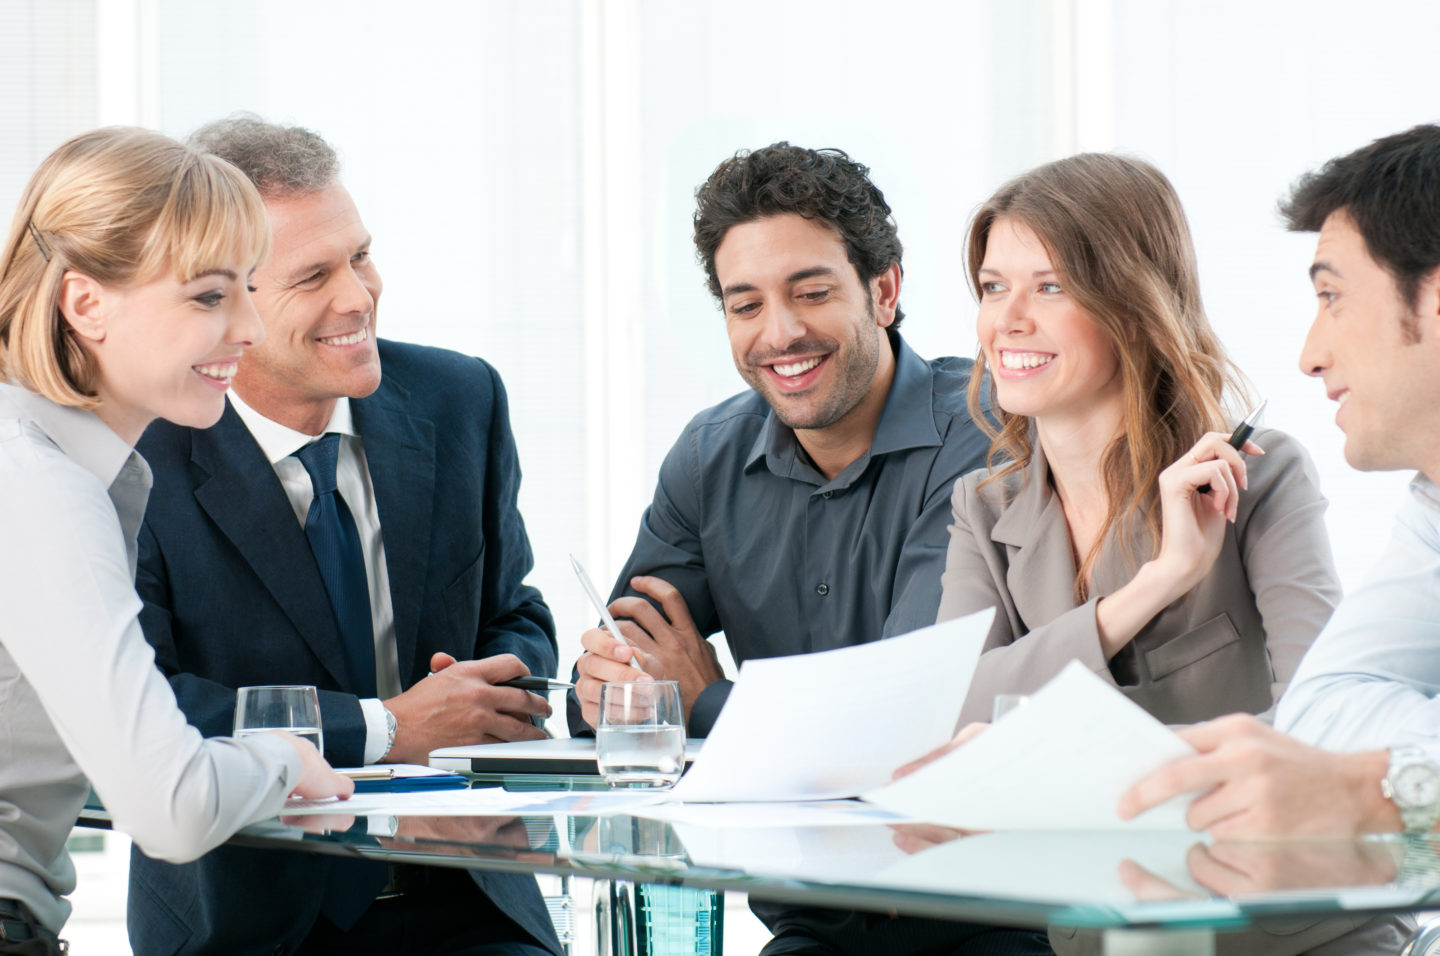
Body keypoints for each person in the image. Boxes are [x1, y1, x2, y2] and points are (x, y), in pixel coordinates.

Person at [921, 152, 1411, 954]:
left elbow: (1323, 729)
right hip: (1109, 939)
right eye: (992, 286)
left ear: (1132, 306)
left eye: (1050, 286)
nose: (1008, 319)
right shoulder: (984, 508)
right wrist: (1158, 582)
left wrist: (1044, 774)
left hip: (1297, 935)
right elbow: (954, 709)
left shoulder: (1260, 475)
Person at [568, 143, 1048, 955]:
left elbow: (902, 722)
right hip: (812, 927)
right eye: (744, 304)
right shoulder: (708, 457)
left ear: (885, 291)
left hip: (989, 917)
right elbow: (618, 691)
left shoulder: (985, 433)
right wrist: (616, 687)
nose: (778, 333)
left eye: (812, 293)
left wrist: (705, 700)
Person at [126, 116, 562, 956]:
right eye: (314, 275)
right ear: (220, 304)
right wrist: (387, 725)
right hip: (251, 920)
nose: (359, 295)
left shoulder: (458, 399)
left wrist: (490, 687)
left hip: (470, 899)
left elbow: (516, 611)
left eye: (360, 256)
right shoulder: (138, 455)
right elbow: (150, 707)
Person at [0, 126, 352, 955]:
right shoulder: (39, 486)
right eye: (208, 296)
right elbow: (172, 806)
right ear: (85, 304)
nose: (250, 329)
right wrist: (285, 760)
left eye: (249, 290)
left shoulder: (61, 468)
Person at [1121, 123, 1440, 845]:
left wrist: (1381, 788)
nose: (1309, 355)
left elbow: (1347, 762)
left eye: (1333, 297)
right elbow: (1320, 719)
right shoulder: (1433, 504)